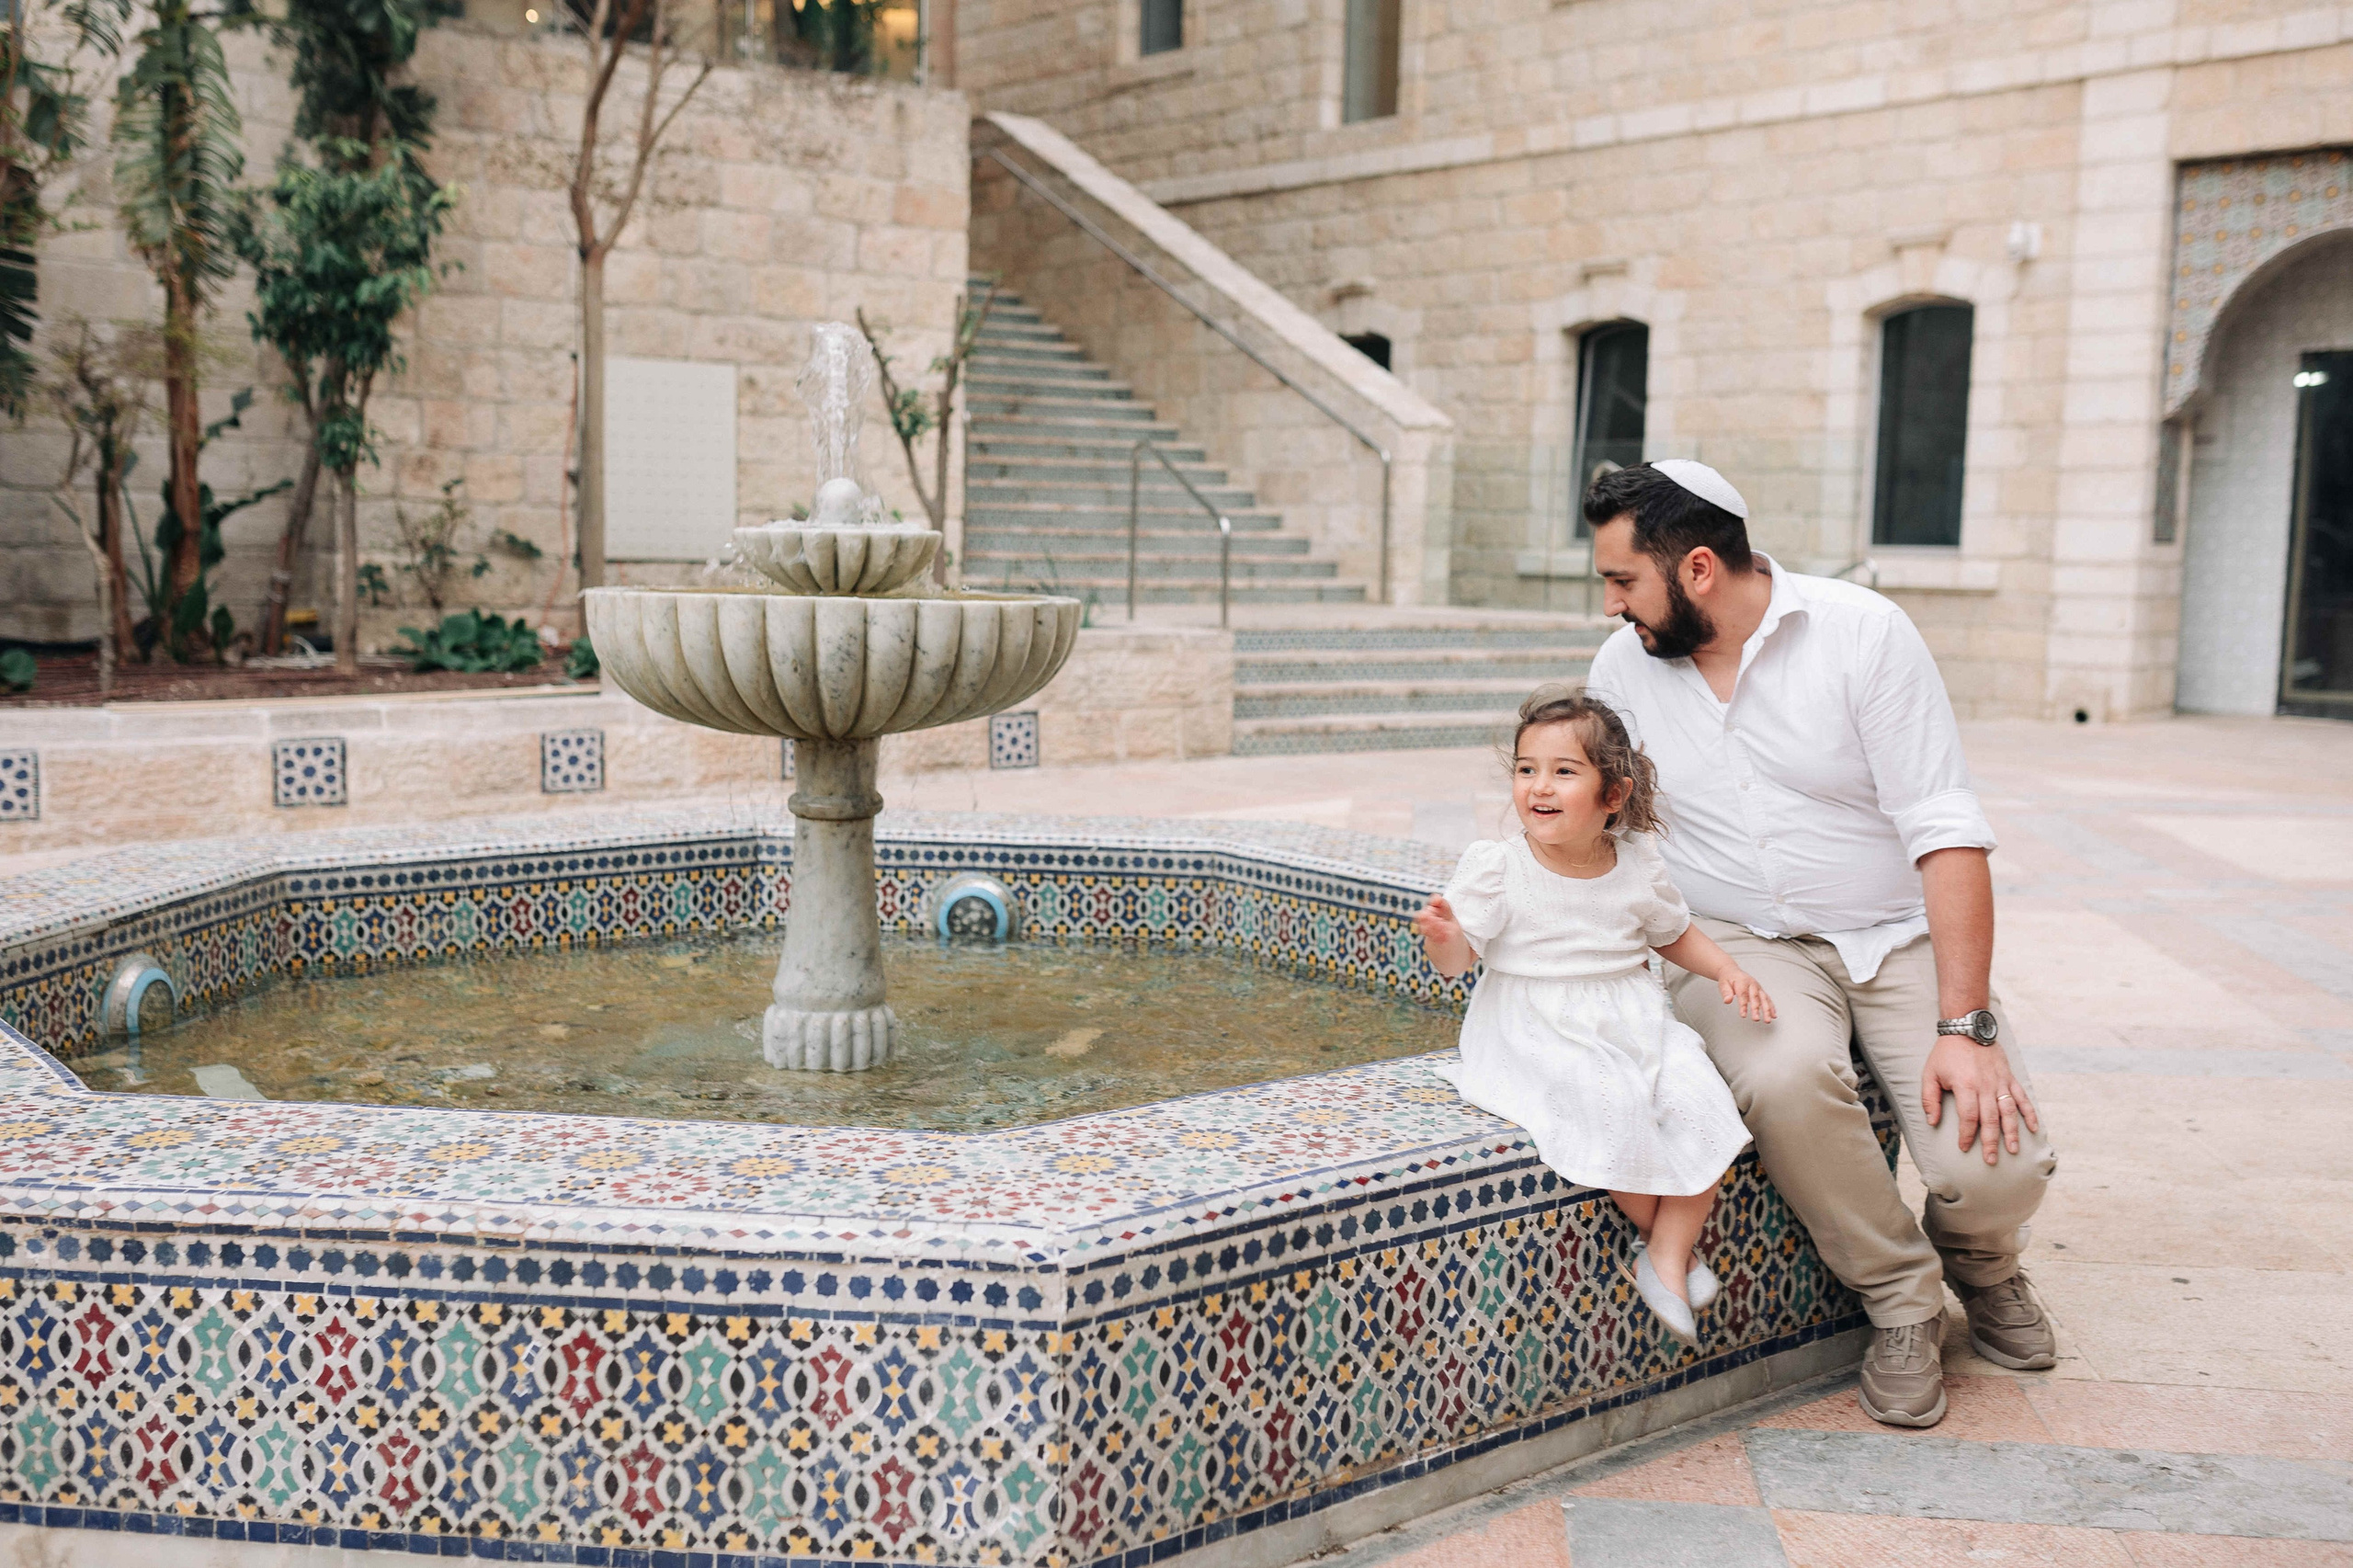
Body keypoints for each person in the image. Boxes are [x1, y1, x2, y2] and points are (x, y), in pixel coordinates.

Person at [1579, 459, 2057, 1429]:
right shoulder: (1619, 671)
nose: (1610, 603)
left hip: (1894, 933)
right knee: (1787, 1075)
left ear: (1699, 569)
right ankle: (1904, 1302)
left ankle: (1982, 1261)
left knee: (1995, 1168)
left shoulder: (1863, 634)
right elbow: (1610, 831)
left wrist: (1965, 1023)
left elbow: (1944, 827)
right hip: (1740, 946)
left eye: (1622, 579)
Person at [1414, 689, 1774, 1346]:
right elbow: (1458, 959)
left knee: (1704, 1103)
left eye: (1563, 771)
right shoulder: (1500, 868)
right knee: (1609, 1106)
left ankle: (1665, 1250)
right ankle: (1669, 1254)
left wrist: (1727, 969)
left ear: (1613, 795)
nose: (1538, 787)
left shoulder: (1635, 864)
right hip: (1533, 1022)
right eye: (1526, 770)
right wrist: (1444, 937)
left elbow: (1673, 933)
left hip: (1631, 1013)